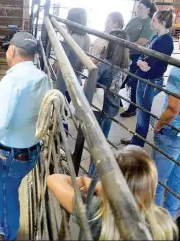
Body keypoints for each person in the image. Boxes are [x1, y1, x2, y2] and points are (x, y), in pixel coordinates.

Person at [0, 32, 51, 241]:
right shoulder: (42, 78)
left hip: (11, 153)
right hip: (31, 149)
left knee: (6, 197)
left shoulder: (11, 81)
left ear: (12, 51)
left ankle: (5, 235)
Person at [47, 145, 178, 240]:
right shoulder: (164, 222)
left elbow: (53, 180)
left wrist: (94, 184)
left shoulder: (96, 212)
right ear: (153, 188)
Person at [121, 8, 175, 147]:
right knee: (141, 112)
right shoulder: (155, 36)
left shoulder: (166, 41)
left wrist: (141, 63)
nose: (152, 23)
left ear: (162, 22)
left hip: (149, 80)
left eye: (154, 21)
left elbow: (150, 63)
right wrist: (139, 61)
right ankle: (136, 140)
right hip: (144, 77)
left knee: (143, 114)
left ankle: (137, 144)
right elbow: (143, 53)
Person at [120, 0, 157, 118]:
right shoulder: (133, 20)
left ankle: (132, 108)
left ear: (148, 9)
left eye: (140, 7)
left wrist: (126, 46)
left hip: (137, 55)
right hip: (126, 52)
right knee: (121, 78)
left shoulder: (148, 23)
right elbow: (124, 33)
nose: (137, 9)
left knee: (132, 81)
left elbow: (142, 41)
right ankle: (118, 100)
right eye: (137, 7)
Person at [152, 62, 180, 220]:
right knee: (177, 180)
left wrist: (158, 125)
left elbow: (173, 110)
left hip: (171, 132)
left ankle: (154, 224)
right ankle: (169, 221)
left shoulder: (178, 69)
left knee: (158, 181)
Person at [93, 29, 130, 138]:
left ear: (111, 45)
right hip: (114, 101)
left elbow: (91, 84)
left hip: (100, 103)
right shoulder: (127, 64)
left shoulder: (103, 65)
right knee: (106, 127)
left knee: (97, 132)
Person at [56, 7, 91, 100]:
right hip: (76, 77)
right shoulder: (87, 38)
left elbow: (61, 63)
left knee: (60, 104)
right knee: (67, 103)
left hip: (65, 79)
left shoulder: (70, 39)